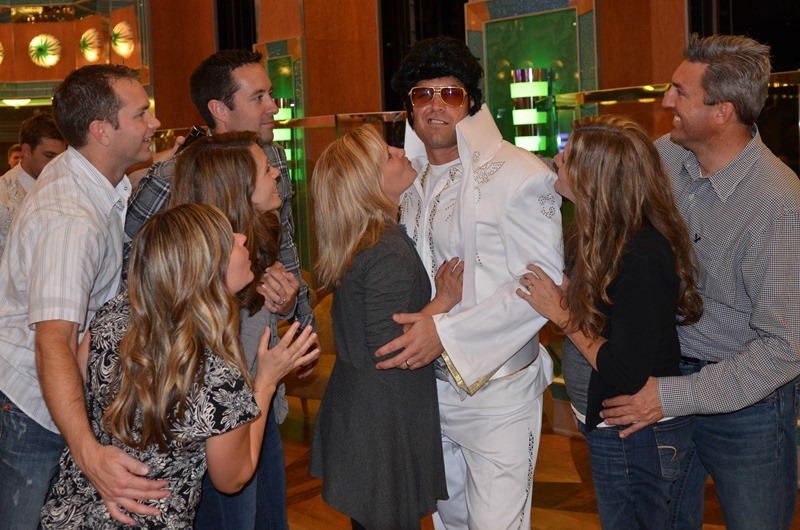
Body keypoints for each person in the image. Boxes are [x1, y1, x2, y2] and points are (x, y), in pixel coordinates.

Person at [600, 34, 800, 530]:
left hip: (749, 408)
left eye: (680, 92)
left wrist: (670, 396)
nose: (666, 102)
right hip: (661, 379)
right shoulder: (663, 158)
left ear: (722, 112)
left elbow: (785, 347)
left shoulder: (778, 202)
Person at [122, 49, 315, 530]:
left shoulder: (273, 157)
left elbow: (286, 255)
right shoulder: (171, 176)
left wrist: (295, 313)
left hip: (258, 380)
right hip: (208, 390)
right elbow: (136, 266)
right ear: (219, 109)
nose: (273, 106)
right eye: (259, 97)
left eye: (271, 94)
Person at [376, 36, 564, 529]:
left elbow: (541, 287)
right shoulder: (405, 180)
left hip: (500, 392)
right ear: (410, 106)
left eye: (451, 93)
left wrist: (445, 332)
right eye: (423, 94)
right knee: (450, 523)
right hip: (426, 390)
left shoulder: (520, 174)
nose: (436, 105)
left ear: (472, 102)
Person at [40, 203, 318, 528]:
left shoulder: (113, 313)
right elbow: (232, 478)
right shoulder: (217, 373)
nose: (242, 237)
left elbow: (79, 388)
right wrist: (266, 382)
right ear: (205, 270)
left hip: (69, 512)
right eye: (228, 239)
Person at [516, 115, 703, 529]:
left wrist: (563, 315)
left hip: (636, 436)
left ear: (595, 179)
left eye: (568, 157)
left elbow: (625, 370)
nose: (557, 160)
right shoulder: (602, 238)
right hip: (616, 429)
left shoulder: (640, 254)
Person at [0, 64, 167, 528]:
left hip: (51, 394)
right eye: (141, 114)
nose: (154, 122)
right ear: (102, 131)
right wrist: (89, 454)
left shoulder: (91, 177)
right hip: (33, 406)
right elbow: (52, 342)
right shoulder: (70, 218)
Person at [309, 126, 463, 529]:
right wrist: (444, 301)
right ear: (368, 183)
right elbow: (390, 349)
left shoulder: (363, 238)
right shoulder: (384, 246)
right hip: (381, 421)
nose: (400, 151)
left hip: (363, 410)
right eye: (387, 155)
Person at [0, 113, 66, 256]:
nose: (57, 163)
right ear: (27, 150)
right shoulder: (2, 193)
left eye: (61, 157)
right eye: (49, 156)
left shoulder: (66, 189)